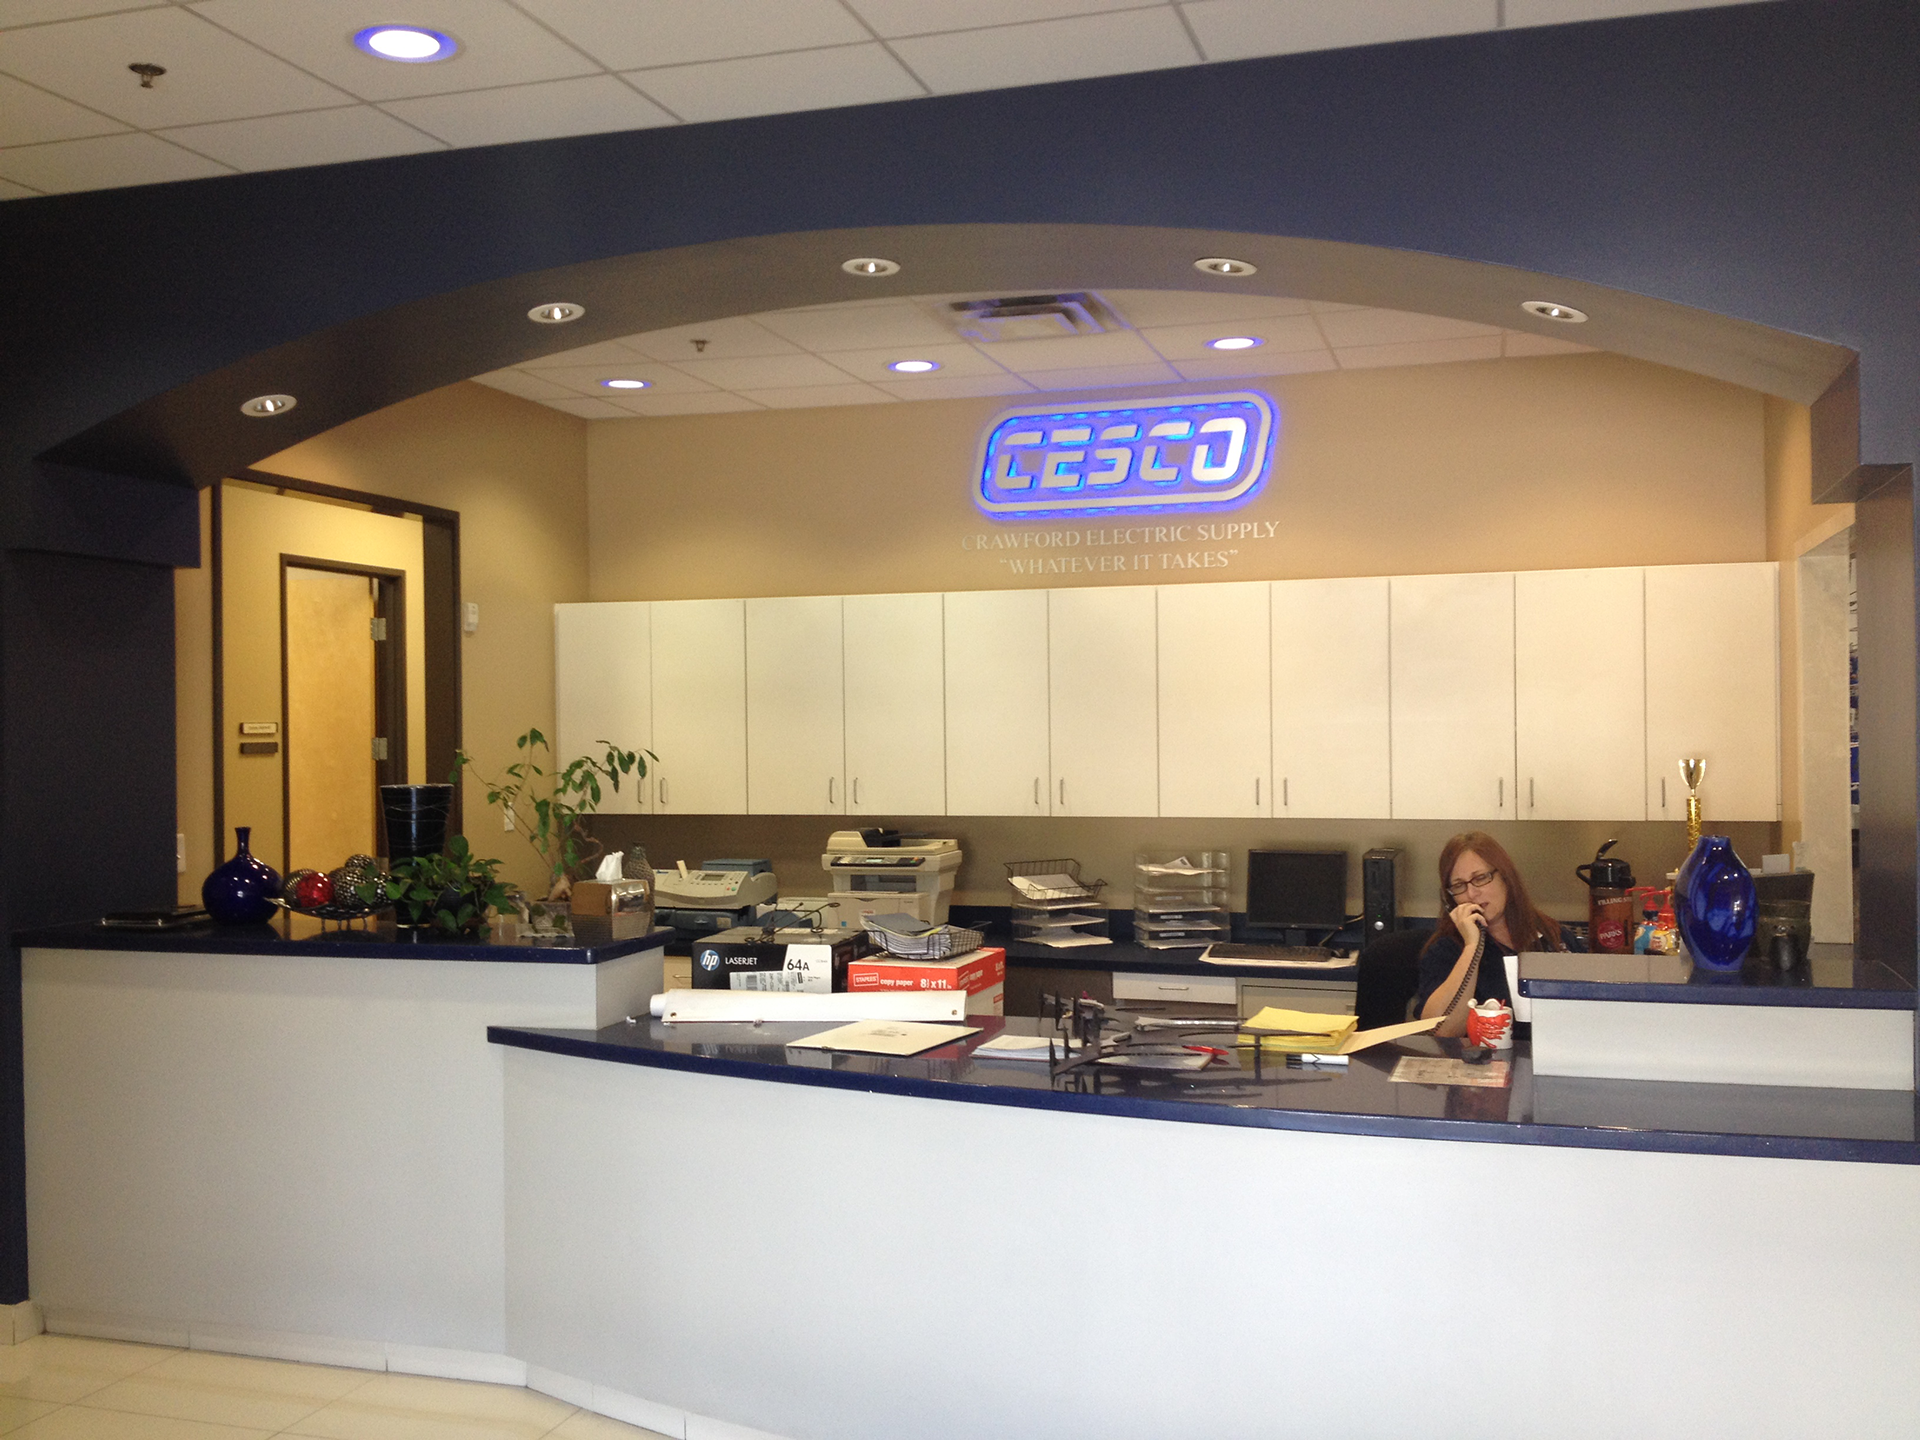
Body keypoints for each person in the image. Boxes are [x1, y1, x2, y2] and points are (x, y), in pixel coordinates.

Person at [1415, 831, 1577, 1038]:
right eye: (1459, 886)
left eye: (1480, 878)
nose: (1472, 894)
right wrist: (1472, 947)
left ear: (1506, 877)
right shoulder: (1447, 950)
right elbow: (1440, 1030)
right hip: (1483, 1065)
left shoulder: (1552, 935)